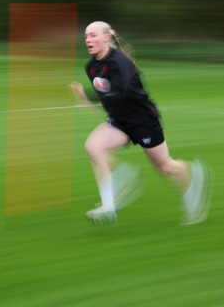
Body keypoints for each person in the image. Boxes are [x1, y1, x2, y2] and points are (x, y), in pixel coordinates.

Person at [70, 21, 211, 225]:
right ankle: (109, 205)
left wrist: (89, 94)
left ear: (106, 38)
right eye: (86, 36)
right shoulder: (91, 67)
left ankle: (192, 176)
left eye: (93, 35)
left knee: (165, 167)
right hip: (120, 122)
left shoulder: (120, 62)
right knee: (93, 147)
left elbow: (120, 92)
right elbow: (107, 94)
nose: (88, 40)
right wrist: (89, 96)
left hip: (142, 120)